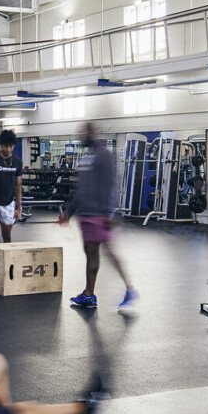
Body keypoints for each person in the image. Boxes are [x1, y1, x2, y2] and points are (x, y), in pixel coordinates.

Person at [59, 122, 137, 312]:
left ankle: (111, 291)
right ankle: (91, 294)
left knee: (98, 252)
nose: (81, 136)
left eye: (83, 133)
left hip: (97, 214)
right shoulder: (88, 157)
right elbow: (81, 189)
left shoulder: (104, 155)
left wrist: (110, 213)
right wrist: (68, 213)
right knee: (95, 252)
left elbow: (111, 184)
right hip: (86, 214)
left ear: (91, 133)